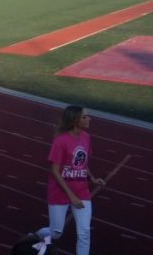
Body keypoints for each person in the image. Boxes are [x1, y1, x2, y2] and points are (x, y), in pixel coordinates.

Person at [35, 105, 105, 255]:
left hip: (82, 191)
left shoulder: (86, 137)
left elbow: (82, 163)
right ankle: (37, 236)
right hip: (59, 193)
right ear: (75, 120)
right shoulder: (60, 141)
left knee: (84, 232)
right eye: (85, 117)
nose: (89, 119)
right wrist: (71, 196)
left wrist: (92, 178)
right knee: (56, 233)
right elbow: (54, 170)